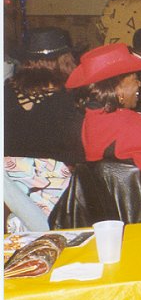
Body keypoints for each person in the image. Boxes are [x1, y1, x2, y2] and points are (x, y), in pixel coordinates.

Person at [66, 43, 141, 185]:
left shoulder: (83, 120)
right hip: (138, 198)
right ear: (118, 87)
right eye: (135, 79)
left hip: (99, 198)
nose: (140, 84)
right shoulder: (130, 122)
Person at [4, 27, 85, 232]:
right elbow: (78, 151)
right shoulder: (69, 97)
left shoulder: (6, 91)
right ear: (65, 59)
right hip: (57, 193)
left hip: (10, 191)